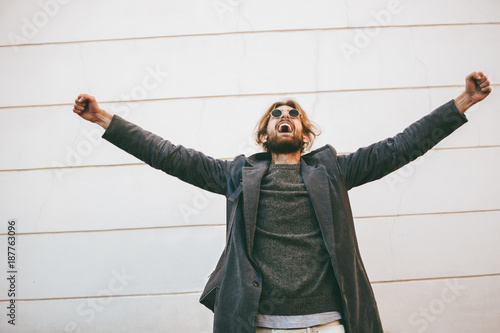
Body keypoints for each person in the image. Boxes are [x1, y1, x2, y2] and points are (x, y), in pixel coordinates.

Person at [73, 72, 491, 333]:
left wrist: (463, 101)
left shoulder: (332, 170)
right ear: (264, 134)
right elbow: (170, 155)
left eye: (293, 112)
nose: (285, 115)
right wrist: (103, 119)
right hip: (260, 323)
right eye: (277, 113)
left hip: (329, 319)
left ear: (305, 135)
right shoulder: (237, 174)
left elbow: (400, 147)